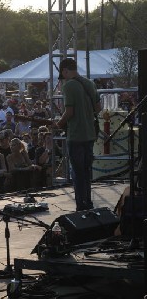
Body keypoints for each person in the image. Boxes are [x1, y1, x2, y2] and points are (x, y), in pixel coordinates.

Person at [55, 57, 101, 211]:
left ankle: (80, 206)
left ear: (65, 70)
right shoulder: (90, 83)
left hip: (75, 135)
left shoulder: (69, 86)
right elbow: (98, 108)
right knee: (87, 172)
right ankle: (88, 202)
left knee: (77, 173)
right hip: (90, 134)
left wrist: (59, 124)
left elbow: (69, 112)